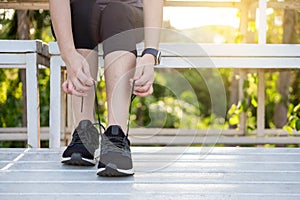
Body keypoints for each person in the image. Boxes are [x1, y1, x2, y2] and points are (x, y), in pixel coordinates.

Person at [49, 0, 163, 177]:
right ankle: (84, 131)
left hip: (128, 16)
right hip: (80, 18)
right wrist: (70, 56)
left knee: (116, 12)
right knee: (82, 8)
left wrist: (150, 54)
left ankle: (116, 136)